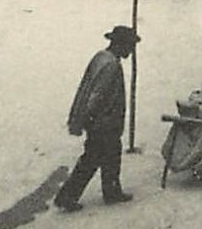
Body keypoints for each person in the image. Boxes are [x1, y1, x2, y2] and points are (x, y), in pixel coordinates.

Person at [53, 25, 139, 213]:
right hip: (103, 122)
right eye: (130, 47)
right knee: (92, 159)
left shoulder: (102, 57)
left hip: (103, 121)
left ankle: (111, 191)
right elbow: (96, 95)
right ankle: (67, 197)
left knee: (110, 156)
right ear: (121, 45)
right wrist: (88, 118)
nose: (131, 51)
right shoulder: (110, 65)